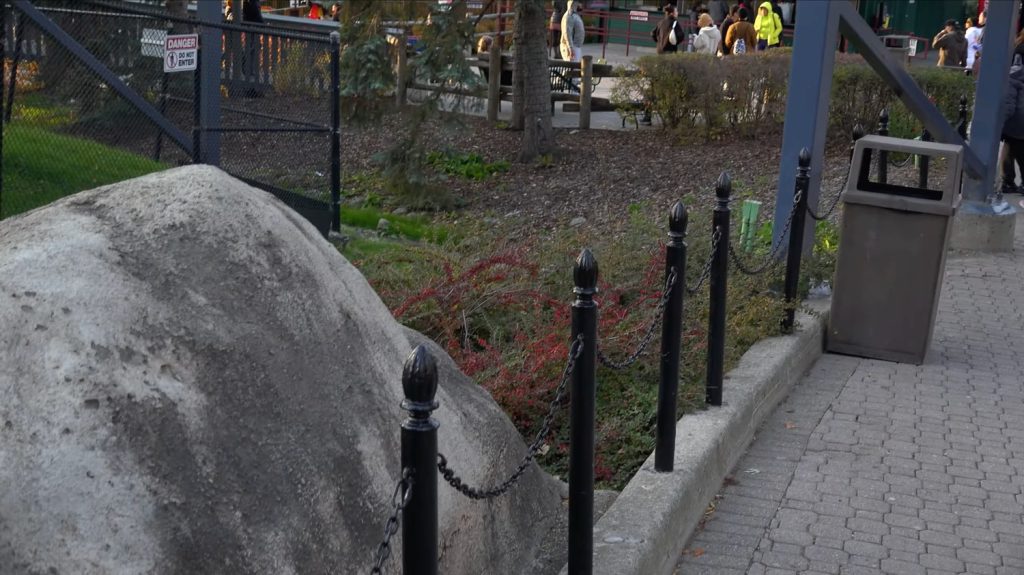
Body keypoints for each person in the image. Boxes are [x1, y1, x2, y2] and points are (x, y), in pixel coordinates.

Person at [1000, 54, 1024, 194]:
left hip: (1015, 122)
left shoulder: (1013, 75)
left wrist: (1000, 123)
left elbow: (1008, 104)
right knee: (1017, 151)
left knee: (1010, 149)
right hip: (1019, 123)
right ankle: (1008, 181)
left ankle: (1007, 182)